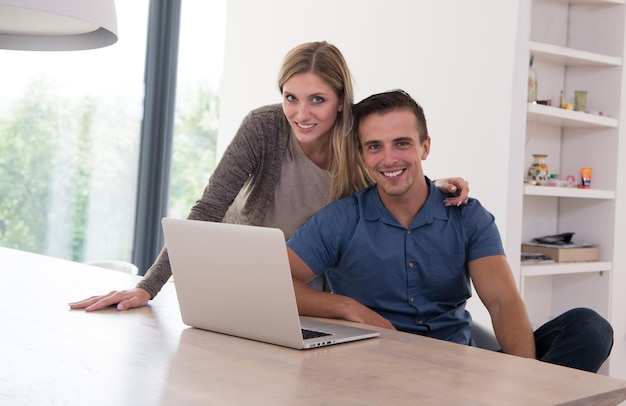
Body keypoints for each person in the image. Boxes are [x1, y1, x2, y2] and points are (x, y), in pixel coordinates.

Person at [69, 41, 469, 312]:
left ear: (341, 101)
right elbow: (209, 207)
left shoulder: (357, 140)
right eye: (291, 97)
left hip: (303, 293)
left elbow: (393, 168)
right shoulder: (264, 127)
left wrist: (433, 187)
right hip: (234, 276)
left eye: (317, 100)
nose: (301, 114)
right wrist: (147, 286)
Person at [287, 89, 613, 373]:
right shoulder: (342, 219)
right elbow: (276, 282)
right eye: (374, 147)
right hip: (374, 373)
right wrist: (346, 307)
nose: (388, 159)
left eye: (401, 143)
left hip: (461, 370)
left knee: (590, 327)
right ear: (362, 154)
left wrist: (521, 379)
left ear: (425, 147)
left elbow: (502, 302)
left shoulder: (467, 215)